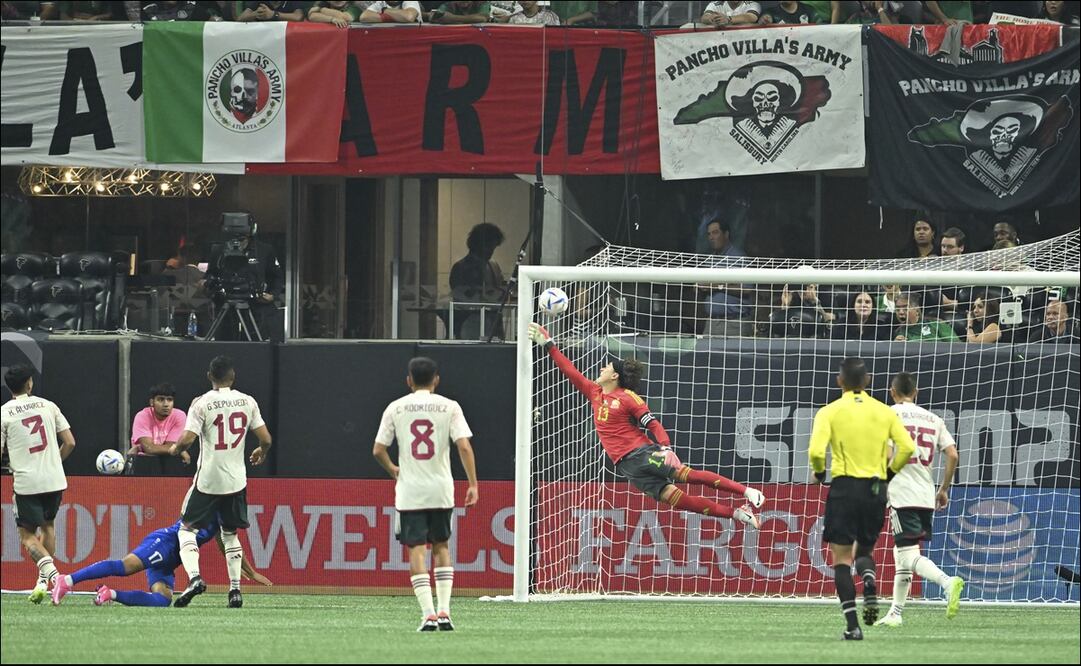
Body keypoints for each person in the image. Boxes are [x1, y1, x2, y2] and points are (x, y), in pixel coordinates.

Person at [528, 322, 765, 527]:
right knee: (678, 500)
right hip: (626, 467)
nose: (602, 368)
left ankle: (746, 491)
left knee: (686, 475)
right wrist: (549, 344)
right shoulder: (594, 392)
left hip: (641, 453)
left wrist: (665, 447)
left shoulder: (627, 397)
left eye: (607, 367)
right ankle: (737, 514)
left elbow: (652, 423)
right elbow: (570, 371)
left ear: (615, 376)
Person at [809, 357, 915, 640]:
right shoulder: (885, 411)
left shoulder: (829, 412)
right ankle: (868, 578)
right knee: (865, 552)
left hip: (844, 487)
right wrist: (888, 474)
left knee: (841, 559)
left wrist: (819, 474)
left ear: (839, 381)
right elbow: (907, 447)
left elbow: (817, 453)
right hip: (875, 489)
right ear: (867, 382)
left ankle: (853, 627)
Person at [373, 357, 478, 632]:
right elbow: (464, 447)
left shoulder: (396, 407)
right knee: (442, 546)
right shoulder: (449, 406)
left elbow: (378, 449)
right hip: (441, 489)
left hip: (410, 491)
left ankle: (428, 614)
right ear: (436, 380)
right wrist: (473, 484)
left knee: (417, 551)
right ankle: (445, 612)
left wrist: (393, 469)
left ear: (409, 380)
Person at [168, 356, 272, 609]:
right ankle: (235, 590)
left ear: (209, 377)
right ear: (233, 377)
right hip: (236, 480)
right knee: (230, 533)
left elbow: (187, 439)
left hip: (209, 479)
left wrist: (174, 449)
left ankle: (194, 578)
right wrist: (261, 451)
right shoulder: (248, 401)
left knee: (187, 529)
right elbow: (266, 439)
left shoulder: (202, 403)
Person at [875, 372, 964, 627]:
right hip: (926, 494)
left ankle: (947, 582)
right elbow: (953, 455)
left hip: (902, 493)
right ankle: (895, 612)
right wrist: (944, 489)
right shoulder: (934, 418)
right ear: (915, 392)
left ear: (892, 393)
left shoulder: (887, 415)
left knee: (906, 555)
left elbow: (887, 452)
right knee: (902, 551)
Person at [50, 517, 271, 607]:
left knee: (163, 599)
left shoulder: (222, 512)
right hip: (165, 542)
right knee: (125, 566)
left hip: (175, 557)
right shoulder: (206, 497)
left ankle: (110, 594)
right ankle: (67, 580)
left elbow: (226, 543)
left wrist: (250, 572)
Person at [1, 365, 76, 604]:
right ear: (30, 383)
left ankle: (55, 578)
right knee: (49, 527)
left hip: (27, 481)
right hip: (54, 478)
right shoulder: (48, 405)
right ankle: (42, 583)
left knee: (27, 536)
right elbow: (70, 442)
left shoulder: (4, 413)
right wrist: (54, 462)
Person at [449, 223, 508, 340]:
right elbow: (460, 297)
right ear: (478, 244)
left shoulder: (494, 265)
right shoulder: (461, 267)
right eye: (489, 247)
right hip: (470, 324)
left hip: (493, 324)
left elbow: (501, 288)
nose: (491, 251)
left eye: (493, 247)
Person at [130, 382, 189, 465]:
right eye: (161, 399)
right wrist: (179, 449)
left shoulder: (179, 416)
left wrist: (140, 448)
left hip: (169, 463)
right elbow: (150, 449)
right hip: (144, 463)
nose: (166, 404)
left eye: (169, 400)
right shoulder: (142, 416)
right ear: (152, 402)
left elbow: (171, 446)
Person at [893, 292, 960, 342]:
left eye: (905, 308)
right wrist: (896, 347)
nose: (901, 312)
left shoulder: (936, 324)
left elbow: (956, 347)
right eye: (897, 309)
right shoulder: (899, 332)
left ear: (916, 310)